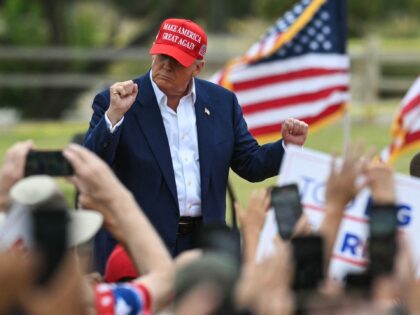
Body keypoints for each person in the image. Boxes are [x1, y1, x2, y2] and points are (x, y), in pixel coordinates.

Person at [84, 17, 309, 271]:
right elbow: (91, 165)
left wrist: (286, 146)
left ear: (197, 67)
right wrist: (114, 117)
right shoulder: (116, 101)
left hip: (204, 241)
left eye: (177, 61)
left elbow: (250, 164)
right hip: (140, 241)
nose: (166, 66)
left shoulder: (222, 103)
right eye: (161, 56)